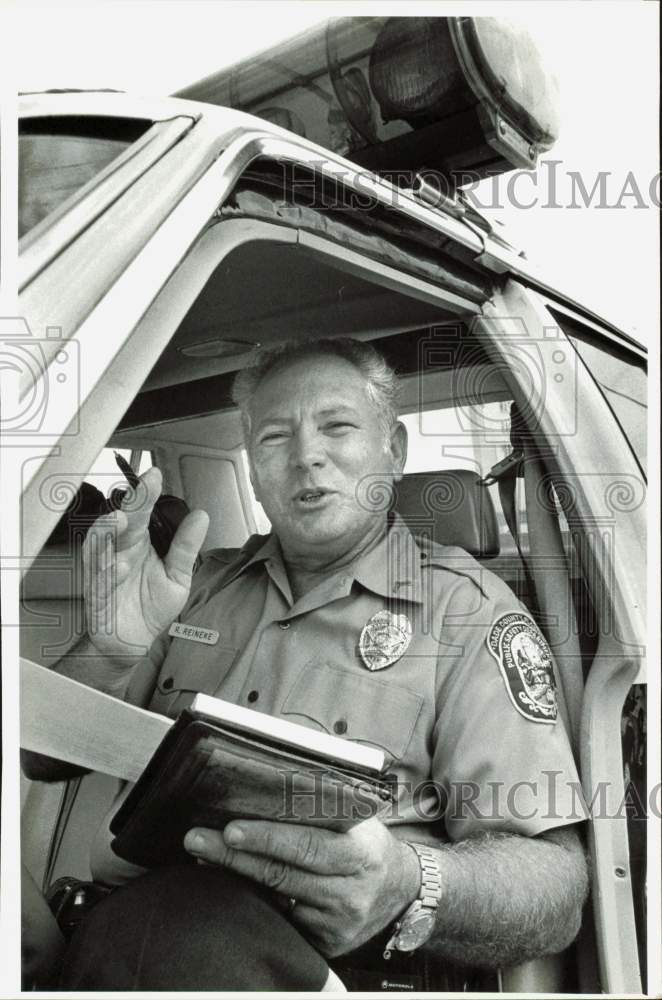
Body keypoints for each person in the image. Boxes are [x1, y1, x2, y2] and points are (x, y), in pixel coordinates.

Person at [24, 338, 588, 991]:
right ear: (255, 470)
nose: (306, 456)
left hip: (319, 963)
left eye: (337, 426)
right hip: (123, 936)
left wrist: (410, 880)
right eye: (272, 437)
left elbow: (557, 888)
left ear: (394, 450)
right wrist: (112, 649)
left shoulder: (468, 613)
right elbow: (44, 761)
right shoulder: (195, 586)